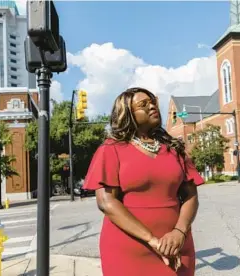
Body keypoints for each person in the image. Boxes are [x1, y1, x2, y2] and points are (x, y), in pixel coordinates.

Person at [83, 87, 204, 276]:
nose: (152, 106)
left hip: (177, 245)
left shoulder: (174, 149)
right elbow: (106, 202)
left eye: (153, 102)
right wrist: (152, 240)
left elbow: (191, 196)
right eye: (143, 104)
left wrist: (179, 232)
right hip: (128, 250)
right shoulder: (111, 149)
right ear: (127, 114)